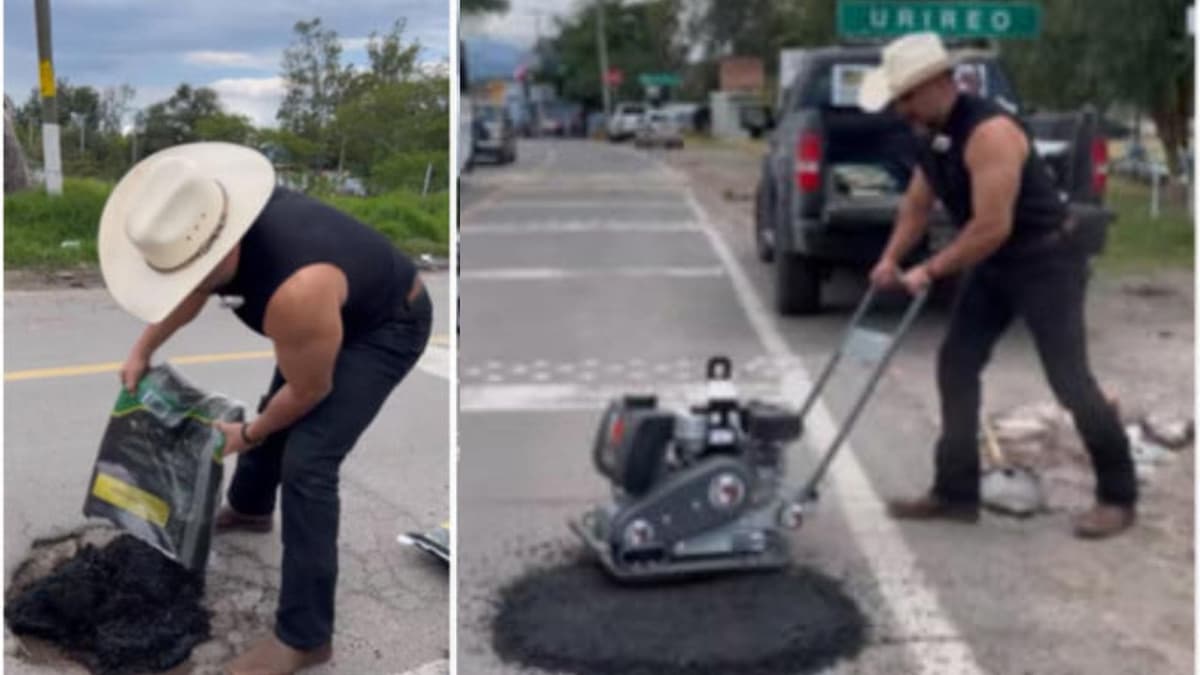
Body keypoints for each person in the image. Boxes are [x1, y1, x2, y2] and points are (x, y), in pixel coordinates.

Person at [99, 142, 432, 673]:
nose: (188, 284)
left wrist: (248, 435)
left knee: (308, 462)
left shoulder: (295, 290)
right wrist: (143, 349)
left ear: (220, 251)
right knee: (274, 409)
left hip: (385, 326)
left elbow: (308, 392)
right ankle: (252, 508)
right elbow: (191, 288)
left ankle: (304, 638)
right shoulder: (213, 225)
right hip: (325, 318)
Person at [858, 33, 1136, 539]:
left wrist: (931, 269)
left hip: (1046, 260)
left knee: (1070, 380)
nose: (902, 110)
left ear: (938, 83)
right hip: (994, 265)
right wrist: (890, 258)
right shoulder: (929, 133)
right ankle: (955, 492)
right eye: (897, 99)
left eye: (907, 97)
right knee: (956, 364)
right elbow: (918, 205)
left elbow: (992, 226)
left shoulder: (990, 132)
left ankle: (1118, 497)